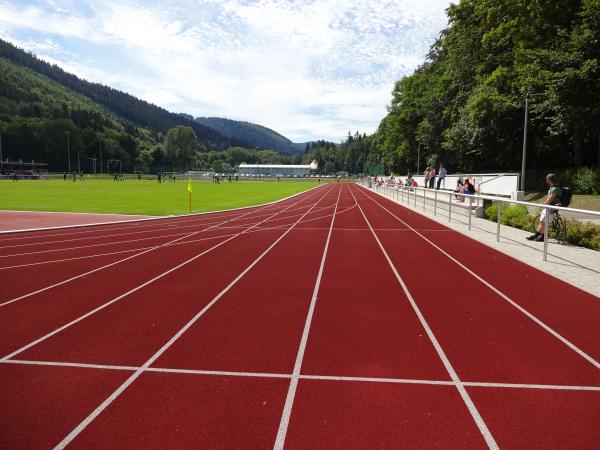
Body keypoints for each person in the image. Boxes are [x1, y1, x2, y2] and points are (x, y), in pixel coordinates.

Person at [526, 173, 563, 242]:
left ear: (550, 180)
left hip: (553, 207)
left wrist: (544, 204)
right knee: (542, 220)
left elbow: (551, 199)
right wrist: (544, 203)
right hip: (549, 206)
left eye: (547, 179)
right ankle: (537, 235)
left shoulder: (555, 189)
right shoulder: (552, 188)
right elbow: (548, 199)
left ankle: (543, 237)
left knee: (544, 221)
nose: (546, 181)